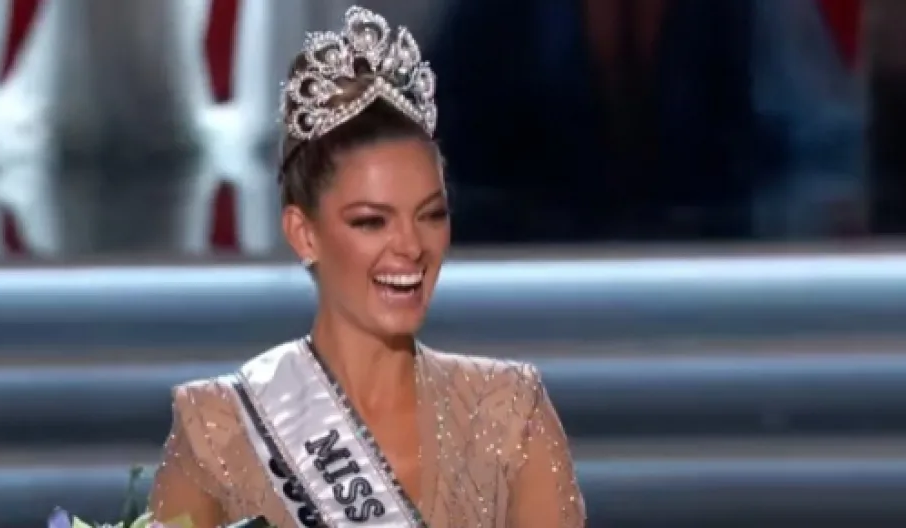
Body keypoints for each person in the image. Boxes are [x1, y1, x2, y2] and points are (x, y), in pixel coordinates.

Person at [149, 6, 586, 528]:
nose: (411, 246)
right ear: (304, 233)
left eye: (431, 215)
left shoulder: (513, 412)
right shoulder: (216, 425)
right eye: (371, 222)